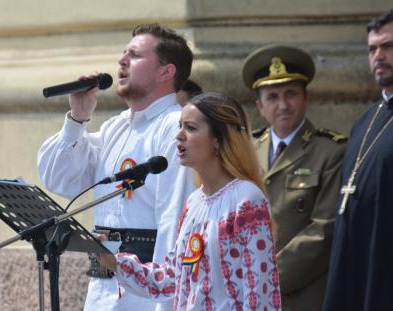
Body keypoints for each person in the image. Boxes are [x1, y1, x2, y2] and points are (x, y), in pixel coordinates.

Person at [37, 23, 195, 311]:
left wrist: (167, 303)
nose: (122, 61)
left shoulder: (176, 127)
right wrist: (77, 118)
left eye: (134, 55)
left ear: (166, 72)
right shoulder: (116, 128)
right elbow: (60, 179)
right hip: (103, 290)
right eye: (123, 54)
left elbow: (175, 221)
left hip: (146, 298)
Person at [99, 92, 281, 310]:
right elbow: (170, 280)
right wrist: (113, 261)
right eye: (180, 126)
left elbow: (260, 295)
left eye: (191, 128)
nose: (179, 136)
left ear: (217, 140)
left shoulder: (246, 199)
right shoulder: (195, 201)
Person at [242, 45, 347, 311]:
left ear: (305, 99)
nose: (283, 105)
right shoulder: (246, 150)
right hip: (244, 291)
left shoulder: (331, 151)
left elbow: (324, 229)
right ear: (259, 106)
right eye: (273, 97)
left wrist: (267, 277)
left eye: (291, 94)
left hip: (302, 295)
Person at [323, 10, 393, 311]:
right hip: (358, 265)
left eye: (388, 46)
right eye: (372, 49)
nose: (378, 56)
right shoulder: (365, 121)